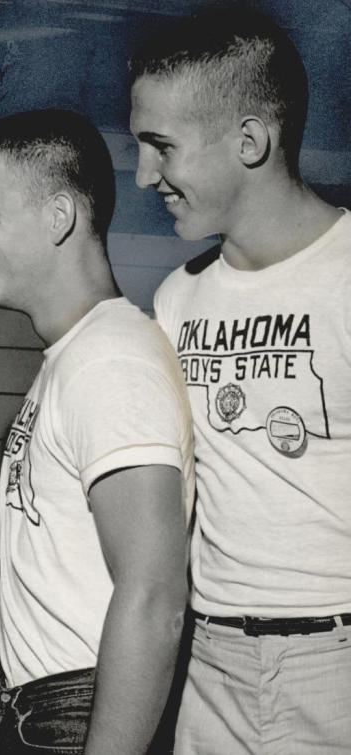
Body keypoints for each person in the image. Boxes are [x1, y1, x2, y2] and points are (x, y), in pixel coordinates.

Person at [130, 7, 351, 753]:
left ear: (250, 140)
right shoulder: (177, 297)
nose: (143, 175)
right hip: (209, 664)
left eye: (161, 147)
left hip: (335, 663)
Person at [0, 110, 194, 754]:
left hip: (73, 714)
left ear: (59, 217)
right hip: (36, 708)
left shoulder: (109, 359)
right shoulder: (72, 357)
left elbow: (154, 594)